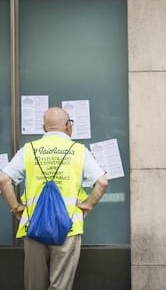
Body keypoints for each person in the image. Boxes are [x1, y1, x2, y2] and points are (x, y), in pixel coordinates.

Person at [0, 107, 108, 290]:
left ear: (44, 127)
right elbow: (102, 182)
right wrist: (88, 205)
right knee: (60, 285)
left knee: (34, 285)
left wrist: (16, 208)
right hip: (68, 227)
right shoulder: (78, 151)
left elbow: (3, 179)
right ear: (68, 126)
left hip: (33, 225)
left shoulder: (29, 149)